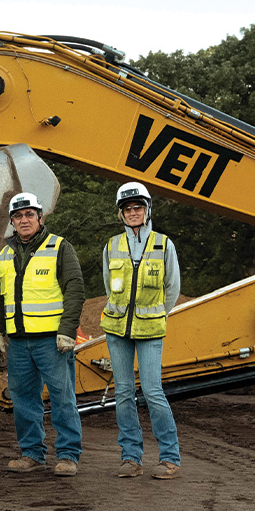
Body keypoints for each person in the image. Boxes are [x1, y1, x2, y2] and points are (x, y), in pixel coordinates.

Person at [0, 192, 85, 477]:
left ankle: (68, 455)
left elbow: (75, 289)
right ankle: (32, 453)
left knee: (62, 397)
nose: (24, 220)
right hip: (18, 342)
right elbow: (0, 297)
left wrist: (67, 331)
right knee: (23, 398)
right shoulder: (5, 254)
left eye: (30, 214)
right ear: (12, 222)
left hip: (51, 341)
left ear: (40, 217)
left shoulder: (59, 247)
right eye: (18, 216)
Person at [101, 182, 182, 480]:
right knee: (123, 393)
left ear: (148, 210)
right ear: (121, 214)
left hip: (150, 330)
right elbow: (109, 287)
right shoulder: (111, 246)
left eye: (138, 207)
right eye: (128, 208)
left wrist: (155, 314)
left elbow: (172, 288)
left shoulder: (163, 244)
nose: (133, 212)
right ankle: (131, 458)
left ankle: (170, 458)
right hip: (117, 329)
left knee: (152, 391)